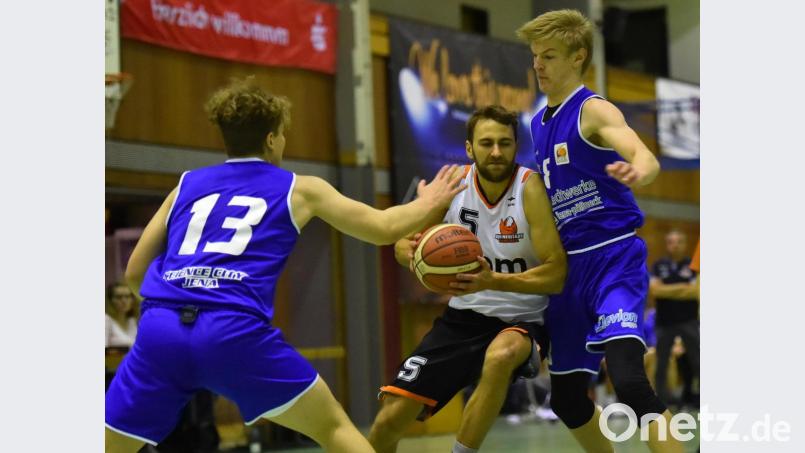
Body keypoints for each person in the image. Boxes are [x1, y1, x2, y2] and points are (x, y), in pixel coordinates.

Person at [104, 77, 466, 453]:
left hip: (161, 329)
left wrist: (172, 311)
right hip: (233, 330)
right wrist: (429, 202)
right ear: (272, 139)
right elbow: (382, 229)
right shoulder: (299, 187)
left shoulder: (185, 185)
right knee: (333, 428)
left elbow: (134, 273)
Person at [515, 9, 683, 452]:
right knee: (568, 400)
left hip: (612, 258)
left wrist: (639, 170)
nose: (538, 65)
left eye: (549, 55)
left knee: (629, 382)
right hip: (570, 270)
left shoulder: (593, 109)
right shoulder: (538, 124)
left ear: (578, 57)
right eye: (535, 56)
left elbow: (642, 154)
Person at [368, 105, 567, 453]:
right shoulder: (452, 185)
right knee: (388, 421)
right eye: (486, 143)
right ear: (469, 147)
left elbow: (556, 275)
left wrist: (493, 282)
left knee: (501, 355)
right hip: (462, 319)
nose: (496, 152)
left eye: (505, 143)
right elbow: (401, 243)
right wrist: (415, 257)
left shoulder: (530, 188)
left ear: (515, 146)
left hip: (522, 319)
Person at [650, 230, 700, 407]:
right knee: (662, 364)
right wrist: (683, 288)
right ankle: (661, 403)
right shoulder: (659, 265)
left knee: (698, 362)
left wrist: (668, 290)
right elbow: (655, 290)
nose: (675, 245)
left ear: (685, 244)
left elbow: (696, 292)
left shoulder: (693, 265)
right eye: (671, 242)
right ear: (667, 244)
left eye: (679, 241)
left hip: (689, 321)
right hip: (664, 323)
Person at [105, 282, 139, 347]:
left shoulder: (132, 321)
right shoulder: (106, 320)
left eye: (127, 296)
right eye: (118, 297)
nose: (124, 300)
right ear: (110, 300)